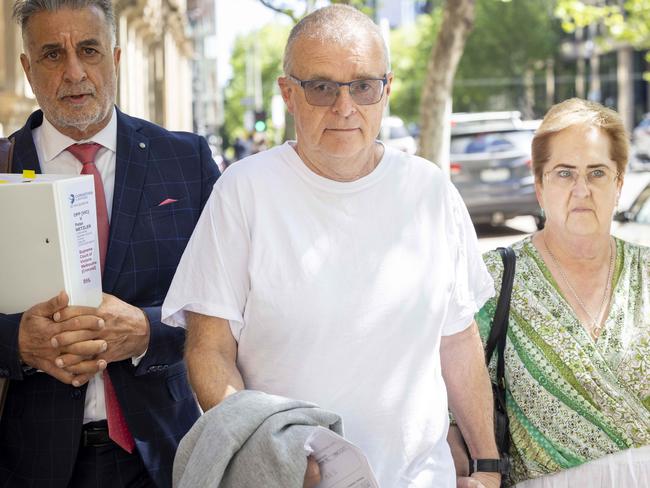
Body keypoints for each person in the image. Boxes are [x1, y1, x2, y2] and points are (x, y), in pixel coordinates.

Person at [162, 5, 501, 488]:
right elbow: (209, 348)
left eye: (363, 86)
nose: (345, 107)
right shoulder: (245, 190)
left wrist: (487, 464)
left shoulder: (430, 191)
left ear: (386, 90)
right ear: (288, 94)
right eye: (322, 87)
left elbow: (457, 339)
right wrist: (268, 450)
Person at [0, 1, 220, 487]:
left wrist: (147, 331)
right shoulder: (2, 168)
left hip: (162, 456)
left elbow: (230, 305)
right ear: (26, 68)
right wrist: (15, 340)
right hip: (29, 462)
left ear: (116, 58)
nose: (74, 72)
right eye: (53, 54)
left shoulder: (187, 162)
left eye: (89, 50)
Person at [463, 98, 650, 487]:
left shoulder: (647, 271)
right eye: (564, 173)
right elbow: (452, 408)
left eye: (597, 172)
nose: (581, 189)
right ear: (539, 185)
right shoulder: (493, 280)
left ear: (618, 183)